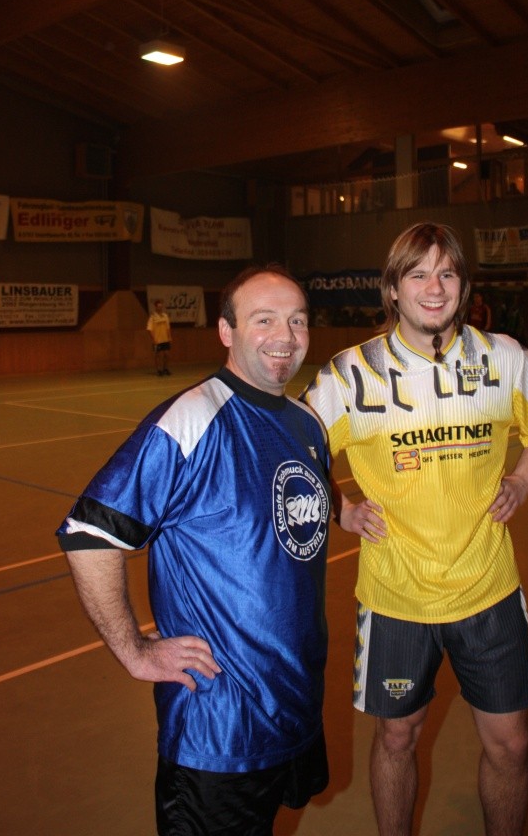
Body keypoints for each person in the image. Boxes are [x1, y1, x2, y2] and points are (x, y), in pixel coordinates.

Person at [302, 222, 528, 836]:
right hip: (396, 597)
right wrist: (341, 509)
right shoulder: (352, 374)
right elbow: (295, 452)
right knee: (397, 737)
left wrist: (524, 479)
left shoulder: (503, 357)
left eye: (447, 273)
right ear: (392, 289)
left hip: (489, 588)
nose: (434, 287)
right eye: (418, 274)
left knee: (511, 743)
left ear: (463, 286)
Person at [57, 265, 331, 836]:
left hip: (295, 703)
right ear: (226, 332)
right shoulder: (194, 419)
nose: (285, 336)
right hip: (219, 728)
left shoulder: (308, 423)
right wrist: (134, 650)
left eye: (297, 320)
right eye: (264, 320)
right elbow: (88, 533)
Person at [147, 297, 172, 375]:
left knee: (167, 355)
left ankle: (165, 368)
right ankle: (159, 370)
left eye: (161, 306)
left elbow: (168, 328)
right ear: (156, 307)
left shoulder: (165, 316)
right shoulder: (153, 317)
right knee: (158, 355)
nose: (160, 308)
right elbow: (149, 329)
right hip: (157, 340)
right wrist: (153, 339)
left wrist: (169, 337)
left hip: (165, 339)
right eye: (158, 306)